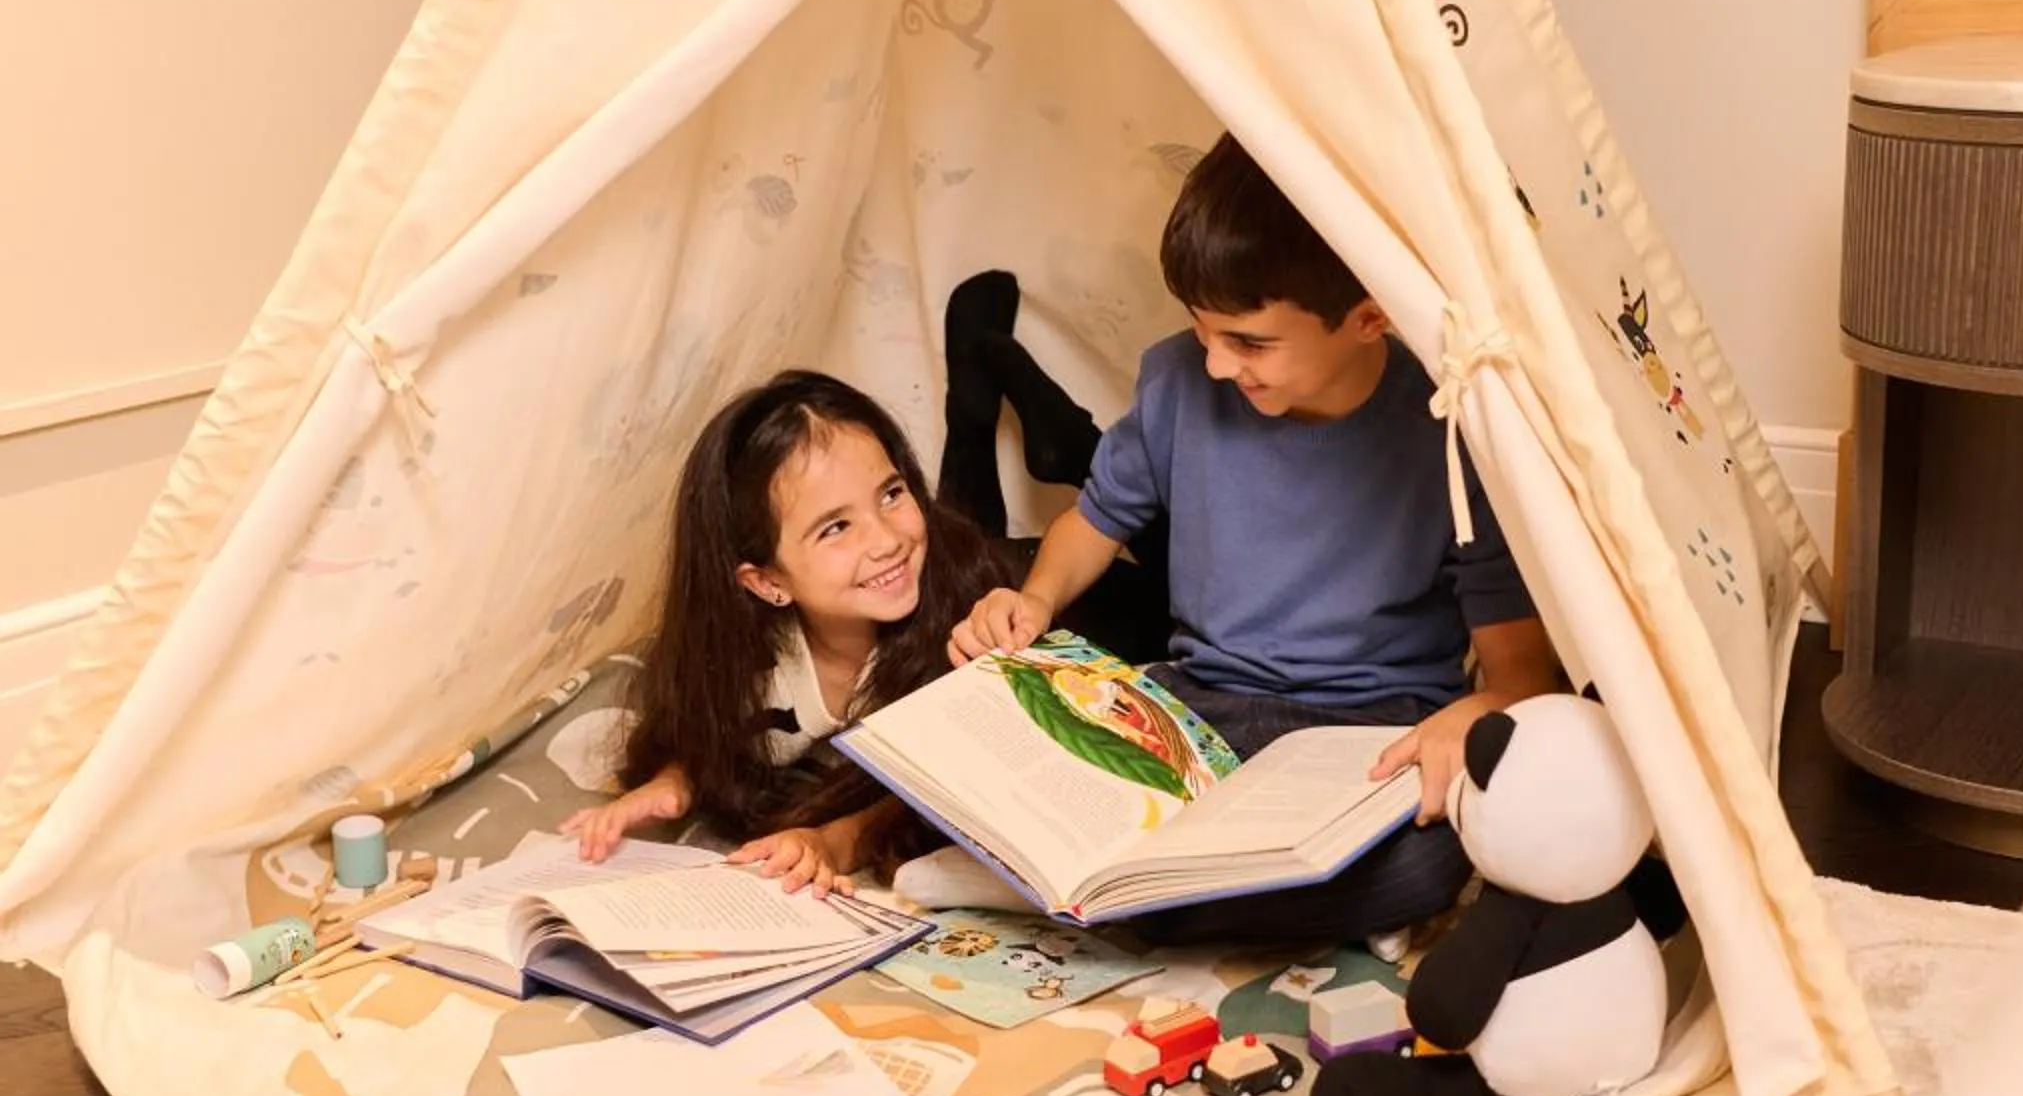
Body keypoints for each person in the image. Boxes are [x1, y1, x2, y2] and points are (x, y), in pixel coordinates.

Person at [951, 135, 1566, 942]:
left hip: (1371, 728)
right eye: (1202, 332)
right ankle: (1138, 886)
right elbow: (1094, 522)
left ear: (1368, 317)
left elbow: (1520, 672)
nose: (1214, 364)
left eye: (1247, 342)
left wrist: (1479, 709)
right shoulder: (1177, 382)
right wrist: (1032, 599)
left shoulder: (1449, 427)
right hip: (1198, 704)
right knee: (1004, 756)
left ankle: (1097, 894)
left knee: (1429, 860)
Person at [565, 291, 1166, 893]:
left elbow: (937, 795)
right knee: (956, 523)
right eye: (835, 527)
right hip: (965, 559)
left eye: (890, 491)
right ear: (767, 582)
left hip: (1089, 601)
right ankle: (983, 396)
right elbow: (709, 731)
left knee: (1164, 546)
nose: (881, 538)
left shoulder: (964, 613)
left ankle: (1059, 431)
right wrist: (675, 781)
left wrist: (833, 841)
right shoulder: (754, 661)